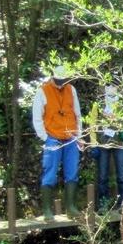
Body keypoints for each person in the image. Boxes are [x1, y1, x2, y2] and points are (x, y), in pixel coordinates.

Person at [32, 65, 83, 221]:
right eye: (58, 80)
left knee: (72, 172)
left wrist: (79, 136)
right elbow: (37, 117)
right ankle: (47, 210)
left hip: (71, 137)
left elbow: (78, 114)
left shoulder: (71, 90)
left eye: (64, 80)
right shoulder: (43, 91)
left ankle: (71, 208)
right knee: (50, 173)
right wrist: (45, 137)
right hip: (52, 137)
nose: (61, 83)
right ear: (53, 77)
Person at [86, 84, 123, 212]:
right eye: (109, 86)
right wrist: (94, 144)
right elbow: (92, 124)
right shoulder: (98, 104)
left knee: (122, 175)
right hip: (102, 142)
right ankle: (103, 205)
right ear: (105, 89)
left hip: (120, 142)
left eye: (114, 86)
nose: (111, 88)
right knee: (102, 176)